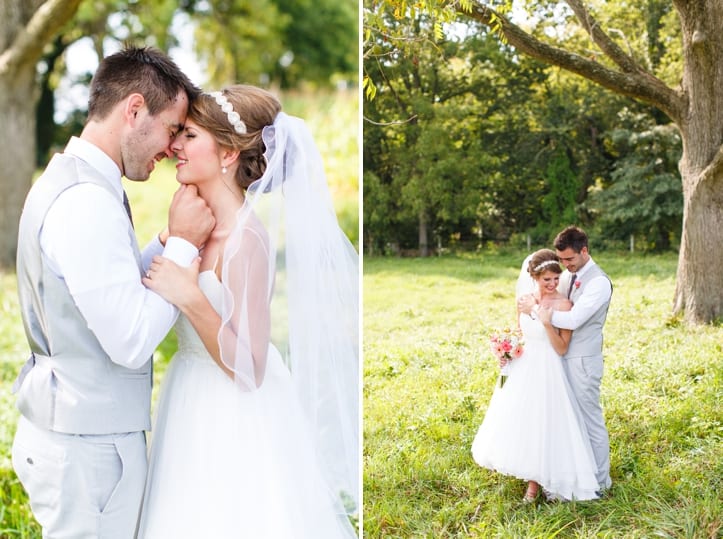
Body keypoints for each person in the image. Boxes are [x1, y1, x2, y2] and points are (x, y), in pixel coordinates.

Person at [136, 85, 359, 537]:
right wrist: (171, 239)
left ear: (228, 154)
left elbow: (251, 368)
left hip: (233, 414)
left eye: (190, 136)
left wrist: (190, 295)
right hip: (187, 396)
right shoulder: (192, 224)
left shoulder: (247, 241)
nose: (175, 145)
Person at [11, 46, 215, 538]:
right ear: (134, 109)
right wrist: (186, 248)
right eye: (171, 129)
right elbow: (129, 340)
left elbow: (102, 291)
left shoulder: (76, 183)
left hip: (81, 439)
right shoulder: (85, 203)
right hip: (89, 454)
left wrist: (164, 243)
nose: (170, 149)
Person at [472, 249, 600, 502]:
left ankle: (536, 484)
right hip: (525, 367)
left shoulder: (564, 305)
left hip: (549, 368)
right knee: (525, 422)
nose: (553, 284)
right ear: (534, 278)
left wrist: (544, 318)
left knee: (545, 423)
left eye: (556, 278)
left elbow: (562, 348)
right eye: (546, 280)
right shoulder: (523, 301)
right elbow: (521, 334)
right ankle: (528, 472)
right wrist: (507, 350)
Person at [518, 226, 613, 493]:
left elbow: (573, 319)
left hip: (582, 360)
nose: (566, 265)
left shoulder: (598, 283)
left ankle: (601, 482)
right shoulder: (570, 275)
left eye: (570, 259)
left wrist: (536, 311)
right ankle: (572, 476)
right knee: (568, 421)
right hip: (558, 361)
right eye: (563, 260)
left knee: (589, 419)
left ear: (584, 251)